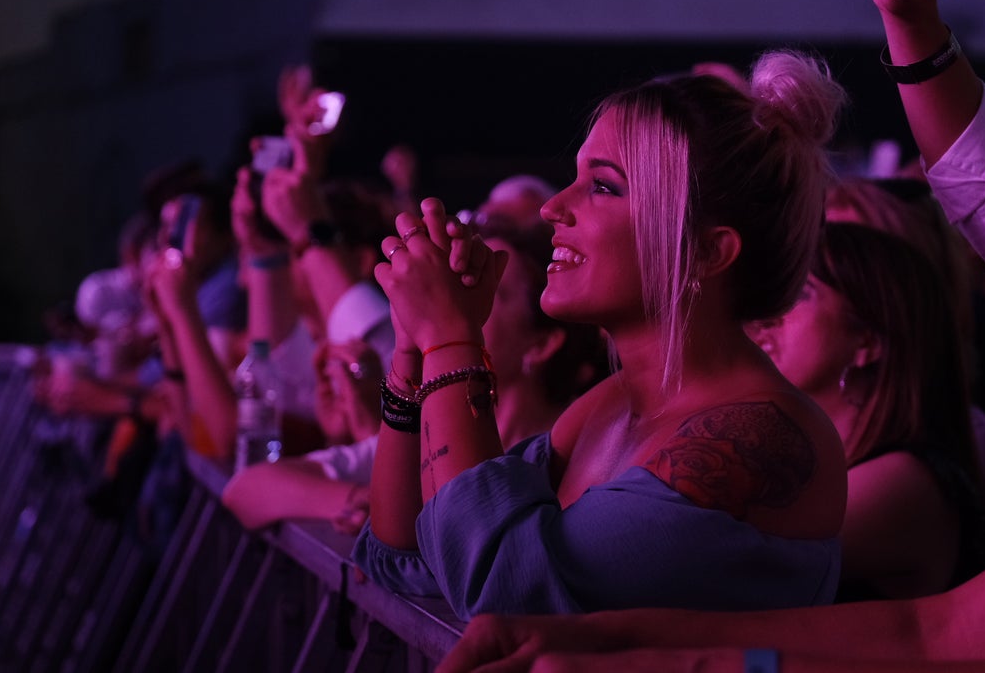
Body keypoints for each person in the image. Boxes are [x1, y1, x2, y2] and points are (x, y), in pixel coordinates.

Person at [434, 0, 985, 669]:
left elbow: (499, 574)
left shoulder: (776, 437)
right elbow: (930, 633)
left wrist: (445, 342)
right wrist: (596, 639)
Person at [356, 51, 851, 621]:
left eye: (604, 187)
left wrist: (450, 336)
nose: (552, 208)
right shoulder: (608, 405)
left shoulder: (758, 436)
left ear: (707, 251)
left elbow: (499, 588)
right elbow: (413, 553)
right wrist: (413, 350)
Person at [220, 217, 608, 531]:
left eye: (484, 293)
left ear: (541, 344)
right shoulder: (430, 434)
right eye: (456, 287)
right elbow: (246, 489)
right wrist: (364, 504)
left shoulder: (571, 458)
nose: (454, 306)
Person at [747, 221, 985, 600]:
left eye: (799, 293)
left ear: (867, 342)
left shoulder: (904, 480)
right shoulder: (808, 461)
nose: (766, 316)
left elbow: (723, 572)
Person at [825, 177, 985, 545]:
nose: (825, 268)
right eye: (823, 249)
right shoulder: (822, 425)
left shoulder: (950, 449)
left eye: (858, 251)